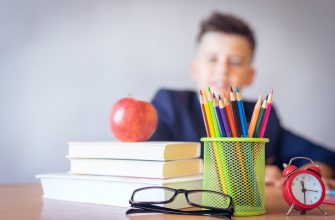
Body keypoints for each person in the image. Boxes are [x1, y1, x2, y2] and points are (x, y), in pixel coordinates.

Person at [149, 12, 335, 187]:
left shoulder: (262, 117)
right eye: (212, 59)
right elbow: (149, 161)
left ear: (250, 75)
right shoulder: (170, 105)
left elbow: (326, 157)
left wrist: (308, 175)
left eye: (236, 62)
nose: (222, 69)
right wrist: (246, 173)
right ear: (194, 69)